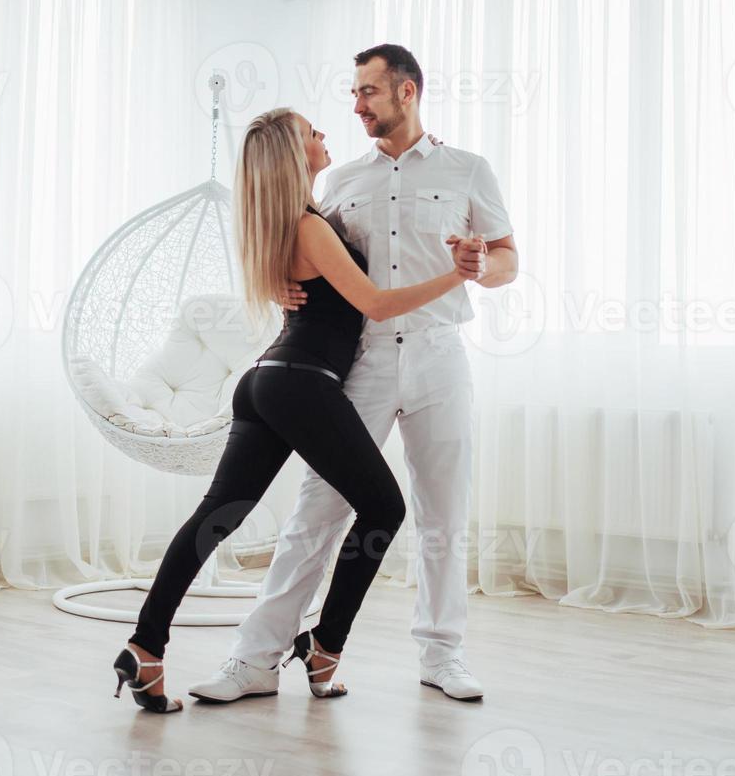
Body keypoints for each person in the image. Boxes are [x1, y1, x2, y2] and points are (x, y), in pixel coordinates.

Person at [112, 107, 473, 713]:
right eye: (312, 132)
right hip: (302, 383)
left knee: (218, 515)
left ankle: (146, 646)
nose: (324, 135)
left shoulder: (283, 223)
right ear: (291, 155)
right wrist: (452, 276)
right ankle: (325, 645)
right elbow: (378, 305)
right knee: (384, 506)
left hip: (264, 382)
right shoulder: (308, 227)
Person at [190, 44, 518, 704]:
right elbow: (302, 243)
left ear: (405, 91)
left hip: (437, 353)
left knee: (441, 511)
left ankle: (440, 654)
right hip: (360, 361)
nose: (355, 104)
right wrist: (282, 281)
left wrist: (481, 265)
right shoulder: (340, 182)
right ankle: (254, 659)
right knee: (317, 509)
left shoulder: (467, 170)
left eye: (367, 91)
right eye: (353, 92)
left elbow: (509, 260)